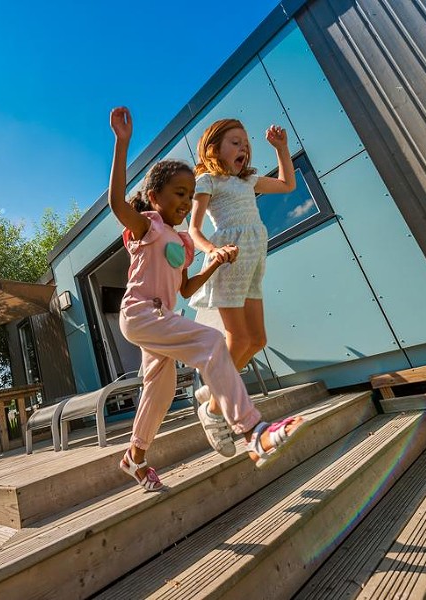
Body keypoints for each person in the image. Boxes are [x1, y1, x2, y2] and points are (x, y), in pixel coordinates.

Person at [108, 107, 304, 491]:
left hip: (161, 316)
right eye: (179, 194)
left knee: (161, 391)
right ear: (154, 197)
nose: (185, 202)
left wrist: (212, 262)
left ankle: (134, 456)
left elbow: (186, 290)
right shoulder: (147, 227)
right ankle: (252, 431)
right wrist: (122, 143)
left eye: (188, 195)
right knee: (213, 341)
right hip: (139, 314)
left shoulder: (182, 242)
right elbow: (117, 203)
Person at [188, 118, 296, 413]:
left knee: (258, 339)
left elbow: (288, 184)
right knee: (240, 337)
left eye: (246, 145)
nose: (244, 149)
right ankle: (213, 408)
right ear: (213, 149)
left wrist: (282, 148)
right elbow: (193, 231)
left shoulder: (248, 180)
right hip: (229, 260)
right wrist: (214, 250)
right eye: (235, 143)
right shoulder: (207, 181)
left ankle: (212, 389)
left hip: (253, 260)